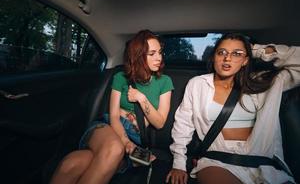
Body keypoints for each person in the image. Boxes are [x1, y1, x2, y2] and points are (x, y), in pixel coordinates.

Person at [166, 33, 299, 184]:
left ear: (245, 61)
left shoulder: (263, 82)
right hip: (217, 160)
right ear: (214, 57)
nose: (227, 58)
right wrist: (179, 164)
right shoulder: (198, 84)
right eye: (221, 52)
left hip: (263, 161)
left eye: (236, 54)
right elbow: (183, 125)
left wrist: (256, 50)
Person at [50, 29, 174, 184]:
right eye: (152, 54)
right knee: (114, 148)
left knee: (73, 163)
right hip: (108, 127)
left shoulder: (165, 81)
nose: (159, 58)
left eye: (160, 52)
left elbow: (159, 122)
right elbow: (114, 115)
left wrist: (141, 99)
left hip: (136, 136)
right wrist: (125, 142)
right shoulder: (120, 78)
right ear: (138, 56)